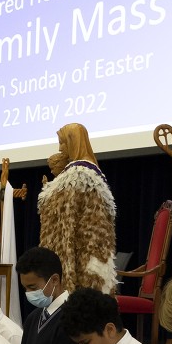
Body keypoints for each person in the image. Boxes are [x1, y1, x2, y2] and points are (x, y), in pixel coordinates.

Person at [37, 122, 117, 293]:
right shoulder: (91, 172)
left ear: (73, 142)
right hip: (91, 250)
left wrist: (48, 192)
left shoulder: (79, 172)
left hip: (81, 250)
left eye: (62, 142)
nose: (60, 148)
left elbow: (64, 210)